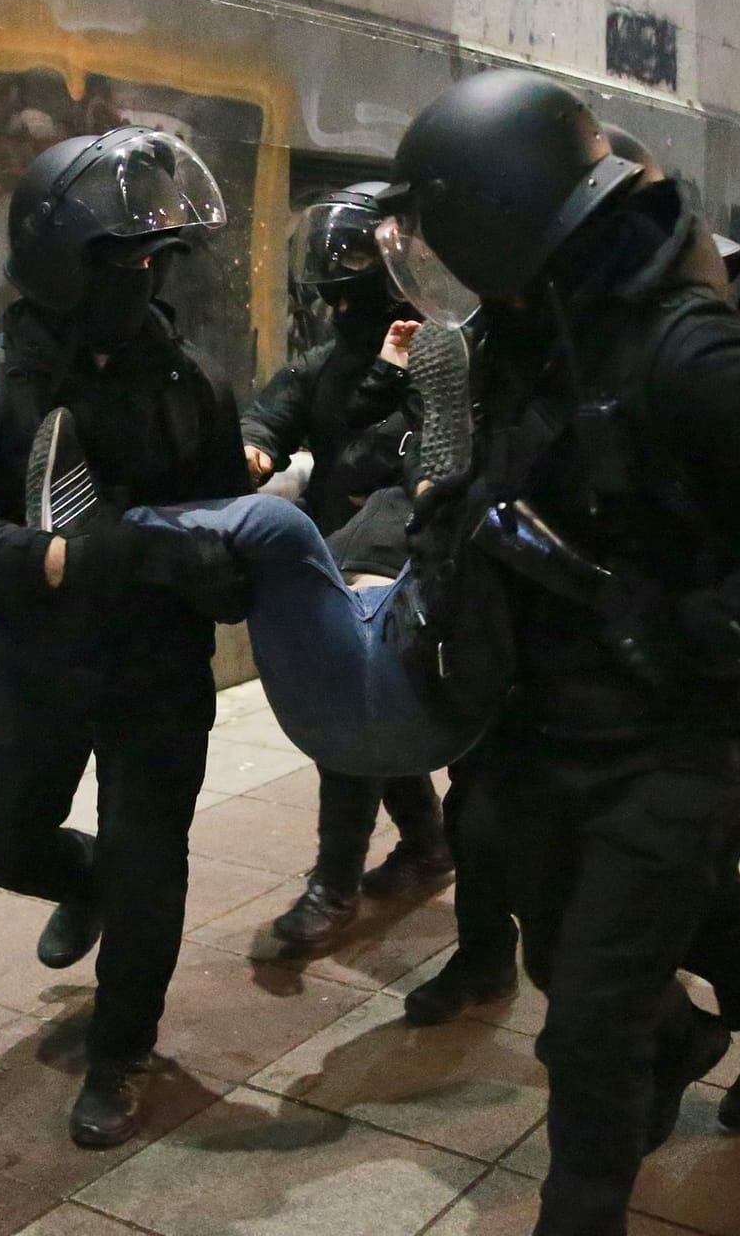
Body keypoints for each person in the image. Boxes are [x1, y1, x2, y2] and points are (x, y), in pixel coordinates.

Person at [379, 70, 740, 1235]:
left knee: (592, 1016)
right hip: (544, 714)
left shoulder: (688, 349)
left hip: (674, 729)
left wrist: (712, 623)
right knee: (576, 956)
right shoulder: (537, 332)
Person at [0, 126, 253, 1149]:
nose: (143, 281)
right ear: (63, 262)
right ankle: (80, 880)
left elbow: (226, 522)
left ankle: (123, 1048)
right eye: (124, 260)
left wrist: (223, 574)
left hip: (157, 673)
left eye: (155, 261)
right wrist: (65, 559)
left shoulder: (189, 385)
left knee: (152, 864)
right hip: (39, 665)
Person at [242, 184, 452, 946]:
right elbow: (272, 412)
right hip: (340, 563)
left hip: (408, 567)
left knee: (355, 722)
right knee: (372, 715)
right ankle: (429, 845)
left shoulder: (441, 352)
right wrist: (252, 446)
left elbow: (438, 456)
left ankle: (334, 888)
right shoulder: (324, 366)